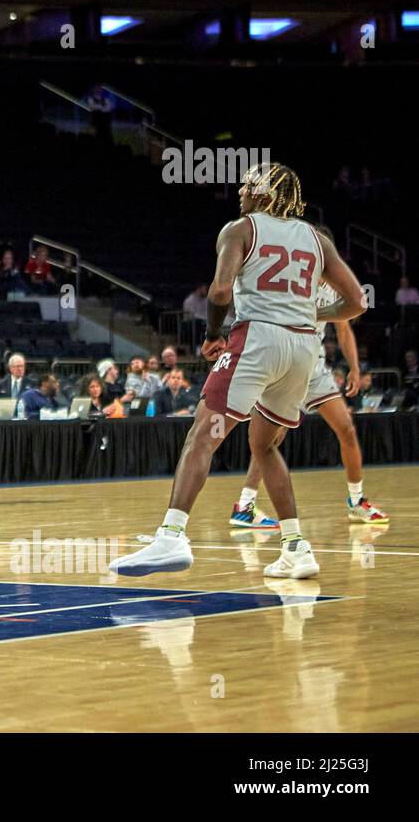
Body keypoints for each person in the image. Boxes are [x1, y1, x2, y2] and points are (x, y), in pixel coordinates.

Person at [111, 163, 365, 580]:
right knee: (264, 446)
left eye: (249, 185)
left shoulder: (240, 228)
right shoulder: (318, 240)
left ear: (265, 194)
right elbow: (356, 301)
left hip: (257, 341)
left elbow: (220, 290)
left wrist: (213, 333)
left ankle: (172, 534)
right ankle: (297, 547)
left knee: (203, 434)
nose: (241, 190)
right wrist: (311, 311)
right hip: (302, 349)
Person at [233, 229, 389, 528]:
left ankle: (356, 501)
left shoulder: (334, 284)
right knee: (271, 438)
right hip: (286, 361)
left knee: (347, 428)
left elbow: (344, 330)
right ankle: (245, 505)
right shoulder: (287, 278)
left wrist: (355, 368)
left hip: (314, 366)